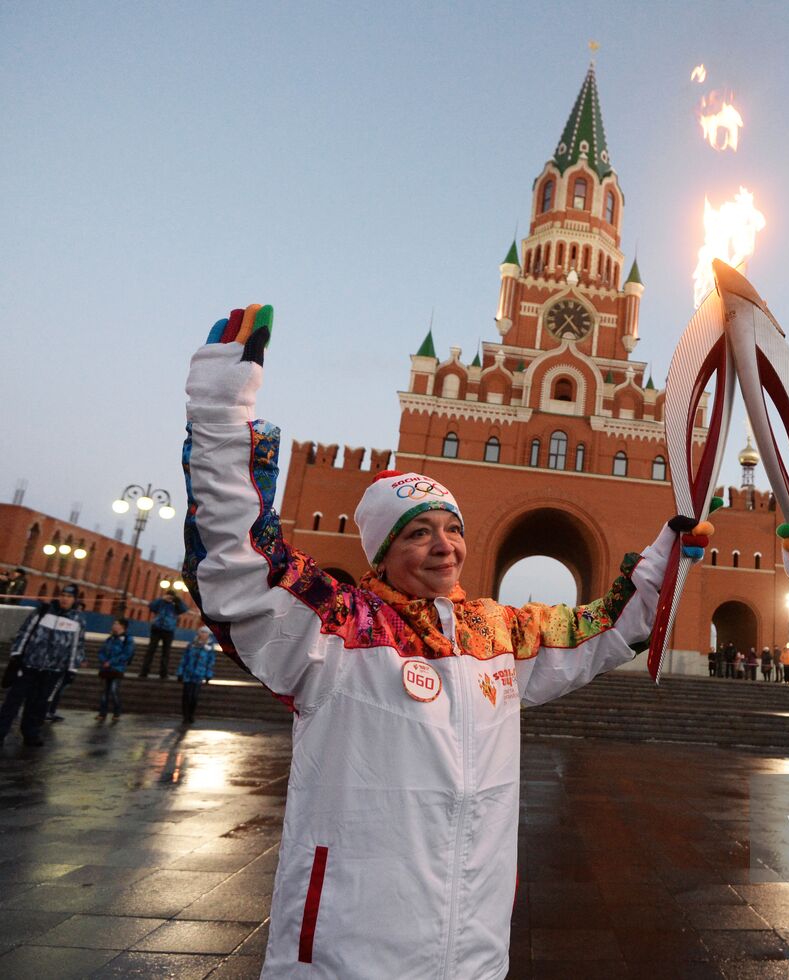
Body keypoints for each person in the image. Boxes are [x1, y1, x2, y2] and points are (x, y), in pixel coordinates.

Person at [180, 305, 694, 978]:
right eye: (419, 533)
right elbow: (240, 565)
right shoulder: (335, 627)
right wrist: (220, 414)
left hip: (472, 953)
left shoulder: (494, 634)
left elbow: (602, 628)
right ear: (384, 549)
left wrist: (672, 548)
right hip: (351, 951)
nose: (444, 547)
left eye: (451, 530)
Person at [0, 584, 85, 746]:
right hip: (29, 665)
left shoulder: (77, 620)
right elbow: (24, 632)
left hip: (52, 670)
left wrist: (71, 668)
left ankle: (30, 733)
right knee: (13, 701)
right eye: (63, 594)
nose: (65, 598)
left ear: (75, 599)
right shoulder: (42, 612)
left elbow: (76, 646)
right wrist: (17, 654)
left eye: (69, 596)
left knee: (38, 704)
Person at [140, 588, 188, 679]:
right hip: (156, 628)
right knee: (150, 650)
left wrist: (178, 600)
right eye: (168, 595)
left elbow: (184, 609)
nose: (170, 597)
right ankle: (144, 671)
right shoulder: (160, 602)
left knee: (166, 652)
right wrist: (162, 599)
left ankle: (163, 673)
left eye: (171, 596)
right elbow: (151, 606)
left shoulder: (176, 604)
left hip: (169, 630)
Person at [176, 627, 219, 725]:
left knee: (194, 697)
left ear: (209, 635)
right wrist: (180, 672)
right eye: (202, 632)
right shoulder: (191, 645)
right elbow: (184, 659)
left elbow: (210, 662)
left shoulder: (209, 648)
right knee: (186, 696)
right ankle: (185, 716)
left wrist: (208, 675)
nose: (204, 634)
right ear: (198, 633)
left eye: (206, 633)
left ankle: (191, 714)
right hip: (188, 674)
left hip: (199, 675)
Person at [95, 618, 135, 721]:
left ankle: (116, 713)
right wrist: (104, 661)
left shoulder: (128, 639)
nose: (114, 625)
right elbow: (101, 651)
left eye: (116, 624)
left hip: (117, 668)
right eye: (114, 623)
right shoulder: (110, 638)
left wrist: (111, 662)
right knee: (105, 692)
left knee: (113, 690)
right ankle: (102, 713)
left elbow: (126, 654)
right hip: (106, 668)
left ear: (122, 626)